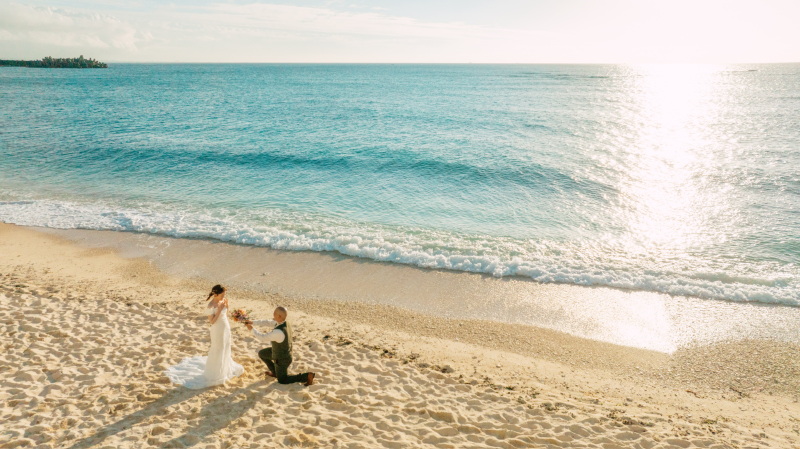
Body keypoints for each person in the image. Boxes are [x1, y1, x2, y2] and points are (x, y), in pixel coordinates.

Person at [165, 284, 244, 389]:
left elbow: (226, 313)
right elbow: (212, 321)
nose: (223, 296)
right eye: (222, 295)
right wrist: (219, 310)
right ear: (215, 294)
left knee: (226, 346)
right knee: (218, 348)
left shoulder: (223, 300)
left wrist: (226, 305)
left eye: (224, 294)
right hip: (217, 328)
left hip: (226, 326)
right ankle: (217, 372)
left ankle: (225, 368)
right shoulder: (211, 305)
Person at [246, 306, 315, 386]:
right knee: (262, 354)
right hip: (281, 352)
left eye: (274, 313)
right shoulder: (283, 322)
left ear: (279, 316)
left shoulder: (278, 332)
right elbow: (268, 322)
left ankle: (306, 376)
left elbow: (262, 337)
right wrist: (252, 322)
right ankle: (275, 373)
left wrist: (251, 329)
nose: (273, 314)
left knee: (283, 380)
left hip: (282, 359)